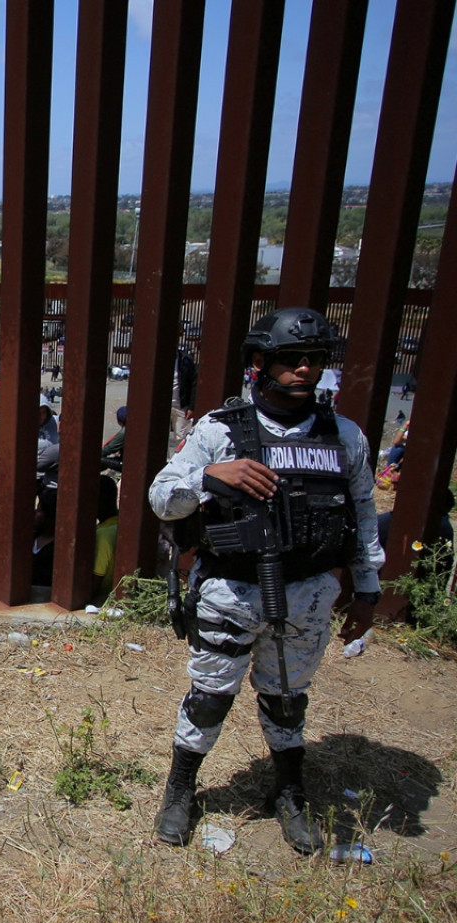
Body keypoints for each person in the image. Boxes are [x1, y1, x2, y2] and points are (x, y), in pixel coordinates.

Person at [148, 307, 383, 853]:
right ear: (260, 362)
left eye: (315, 361)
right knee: (210, 694)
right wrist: (210, 475)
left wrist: (368, 591)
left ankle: (290, 792)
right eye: (292, 360)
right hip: (231, 590)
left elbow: (364, 513)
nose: (305, 370)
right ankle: (181, 788)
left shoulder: (344, 436)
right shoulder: (219, 429)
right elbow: (162, 496)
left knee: (286, 698)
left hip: (306, 595)